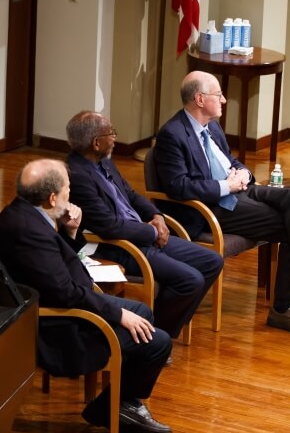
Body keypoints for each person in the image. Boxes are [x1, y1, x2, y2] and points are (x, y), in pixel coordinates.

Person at [152, 71, 290, 336]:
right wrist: (227, 186)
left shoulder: (211, 126)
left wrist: (243, 174)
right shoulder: (172, 134)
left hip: (240, 190)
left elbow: (230, 161)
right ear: (200, 99)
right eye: (218, 95)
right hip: (212, 207)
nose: (224, 100)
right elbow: (178, 186)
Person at [0, 158, 173, 433]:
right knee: (158, 341)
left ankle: (121, 403)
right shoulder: (29, 231)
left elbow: (58, 267)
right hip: (61, 328)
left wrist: (71, 232)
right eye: (67, 189)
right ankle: (114, 408)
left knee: (143, 313)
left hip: (67, 303)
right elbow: (65, 293)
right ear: (52, 198)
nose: (70, 194)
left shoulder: (25, 213)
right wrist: (118, 314)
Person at [64, 110, 224, 340]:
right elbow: (109, 226)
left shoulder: (104, 162)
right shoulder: (77, 175)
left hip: (142, 234)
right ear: (96, 143)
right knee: (190, 280)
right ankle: (157, 335)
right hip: (119, 246)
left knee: (212, 260)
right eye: (112, 133)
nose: (115, 137)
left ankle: (159, 324)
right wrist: (151, 231)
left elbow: (130, 194)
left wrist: (157, 216)